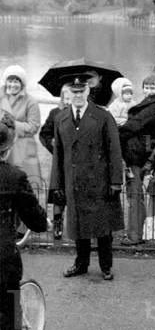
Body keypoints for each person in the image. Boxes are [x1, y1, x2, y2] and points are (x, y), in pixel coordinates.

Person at [50, 70, 123, 281]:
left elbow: (114, 150)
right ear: (68, 93)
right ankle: (81, 264)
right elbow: (58, 155)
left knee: (103, 228)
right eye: (74, 92)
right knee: (78, 225)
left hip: (99, 181)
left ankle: (106, 266)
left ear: (88, 90)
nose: (78, 95)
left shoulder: (103, 116)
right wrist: (57, 184)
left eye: (81, 91)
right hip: (74, 182)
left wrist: (116, 181)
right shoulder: (61, 118)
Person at [0, 112, 48, 330]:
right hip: (3, 257)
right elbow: (37, 221)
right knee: (11, 309)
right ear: (8, 146)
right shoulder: (14, 176)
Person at [118, 73, 155, 245]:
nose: (148, 90)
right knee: (134, 194)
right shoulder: (153, 104)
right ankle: (139, 231)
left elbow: (136, 124)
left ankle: (135, 235)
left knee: (135, 194)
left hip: (137, 153)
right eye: (146, 87)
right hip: (138, 150)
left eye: (152, 87)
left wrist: (118, 132)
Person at [0, 65, 43, 195]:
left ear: (22, 83)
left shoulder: (31, 102)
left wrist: (12, 124)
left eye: (16, 81)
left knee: (25, 185)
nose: (13, 85)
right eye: (10, 80)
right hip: (3, 145)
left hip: (23, 149)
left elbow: (34, 126)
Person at [39, 83, 72, 241]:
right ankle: (57, 224)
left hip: (77, 160)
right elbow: (44, 133)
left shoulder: (80, 115)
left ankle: (76, 226)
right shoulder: (55, 113)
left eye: (70, 97)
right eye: (65, 97)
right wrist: (51, 143)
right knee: (59, 192)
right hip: (59, 161)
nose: (67, 100)